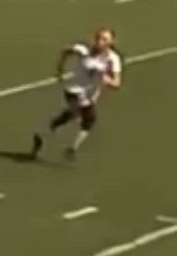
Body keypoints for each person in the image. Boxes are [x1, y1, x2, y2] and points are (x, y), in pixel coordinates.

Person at [32, 28, 123, 162]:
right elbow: (66, 51)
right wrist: (59, 69)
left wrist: (108, 81)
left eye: (104, 39)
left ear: (112, 41)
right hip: (74, 91)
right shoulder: (83, 50)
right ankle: (72, 149)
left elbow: (117, 83)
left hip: (89, 94)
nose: (100, 41)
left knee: (71, 116)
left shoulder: (113, 59)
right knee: (88, 119)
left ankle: (43, 134)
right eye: (98, 38)